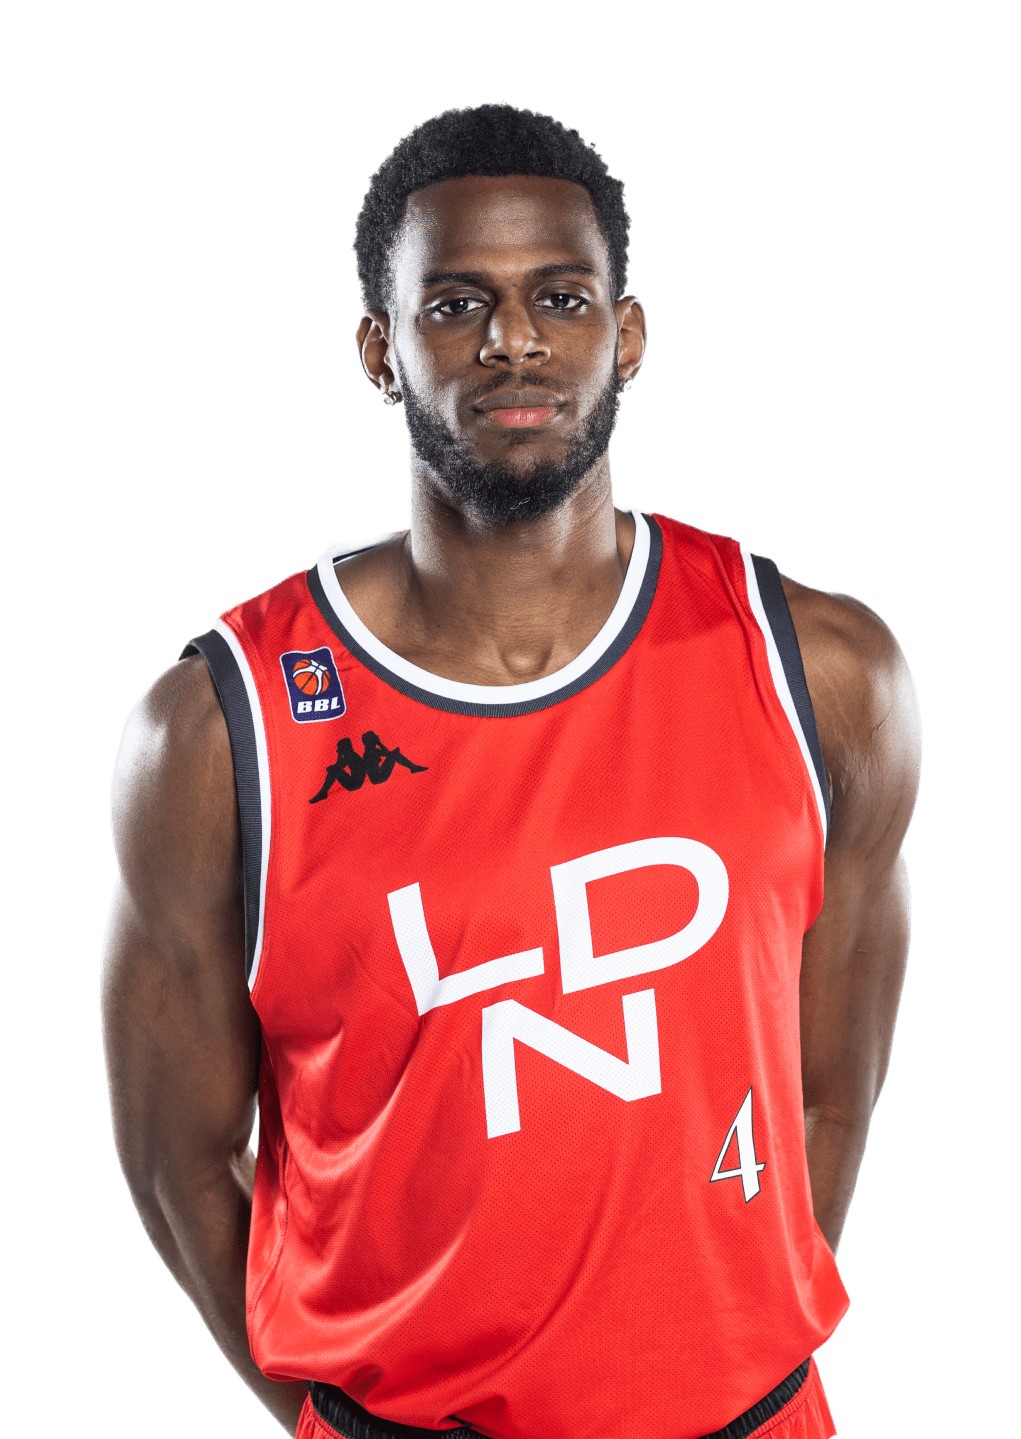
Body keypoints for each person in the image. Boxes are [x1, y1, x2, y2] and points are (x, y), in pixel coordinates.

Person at [103, 104, 920, 1439]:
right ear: (380, 349)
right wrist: (338, 1422)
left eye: (559, 297)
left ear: (627, 334)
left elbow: (831, 1090)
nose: (514, 342)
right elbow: (175, 1163)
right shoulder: (213, 730)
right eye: (454, 306)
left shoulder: (822, 673)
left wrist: (715, 1362)